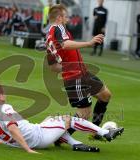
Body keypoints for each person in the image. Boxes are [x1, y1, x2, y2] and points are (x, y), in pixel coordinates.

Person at [0, 83, 124, 153]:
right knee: (68, 119)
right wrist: (27, 149)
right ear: (0, 95)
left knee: (51, 119)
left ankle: (75, 144)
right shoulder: (5, 107)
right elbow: (12, 128)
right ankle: (105, 133)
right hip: (38, 138)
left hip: (35, 132)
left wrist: (6, 142)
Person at [45, 4, 114, 144]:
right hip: (75, 77)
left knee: (105, 95)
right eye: (66, 16)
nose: (68, 18)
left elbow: (53, 67)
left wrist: (69, 67)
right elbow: (65, 44)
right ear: (59, 18)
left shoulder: (49, 36)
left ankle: (96, 132)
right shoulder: (58, 28)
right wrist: (89, 43)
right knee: (84, 114)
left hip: (82, 73)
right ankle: (60, 138)